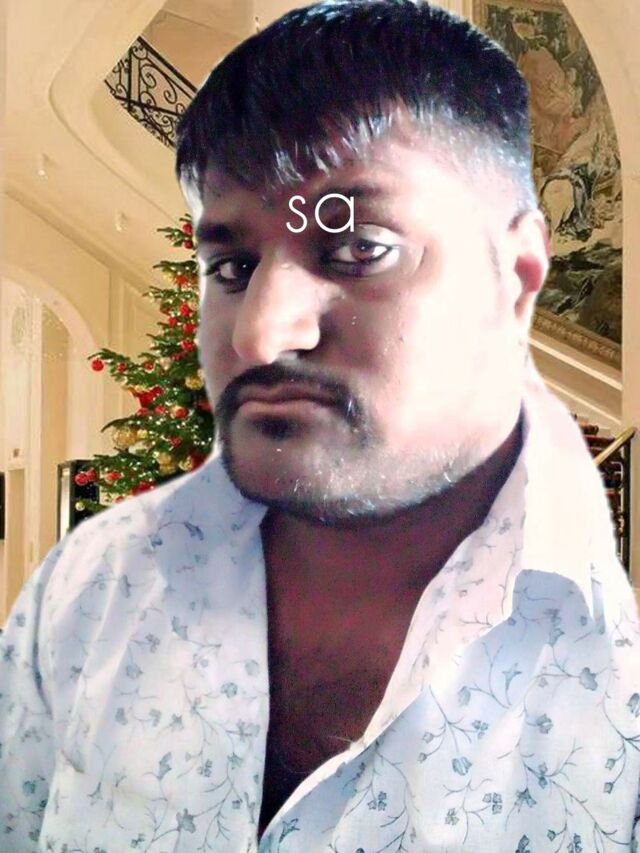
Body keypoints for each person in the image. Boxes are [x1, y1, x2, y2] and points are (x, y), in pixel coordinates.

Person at [1, 1, 638, 850]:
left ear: (516, 276)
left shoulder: (616, 684)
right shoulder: (88, 588)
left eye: (359, 248)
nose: (259, 332)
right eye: (233, 265)